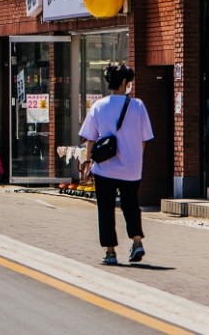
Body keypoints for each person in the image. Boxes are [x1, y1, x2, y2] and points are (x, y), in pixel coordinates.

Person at [79, 63, 153, 266]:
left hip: (105, 168)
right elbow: (145, 138)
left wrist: (86, 162)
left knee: (105, 209)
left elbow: (90, 139)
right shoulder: (137, 106)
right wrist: (135, 159)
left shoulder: (99, 106)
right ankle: (137, 242)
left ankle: (110, 252)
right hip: (131, 169)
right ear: (123, 83)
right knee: (131, 206)